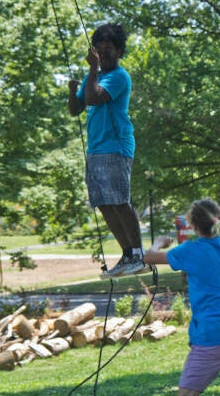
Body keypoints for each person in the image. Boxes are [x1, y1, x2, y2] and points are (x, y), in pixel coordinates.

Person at [144, 198, 220, 396]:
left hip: (213, 336)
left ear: (193, 225)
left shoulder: (191, 250)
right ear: (218, 219)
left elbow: (148, 257)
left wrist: (159, 242)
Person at [68, 23, 149, 278]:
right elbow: (76, 108)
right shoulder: (93, 77)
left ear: (119, 51)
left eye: (109, 50)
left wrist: (92, 69)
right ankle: (127, 255)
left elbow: (93, 98)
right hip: (95, 148)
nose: (104, 54)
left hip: (116, 146)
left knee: (119, 201)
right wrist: (73, 92)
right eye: (100, 50)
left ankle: (137, 253)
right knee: (103, 203)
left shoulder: (118, 76)